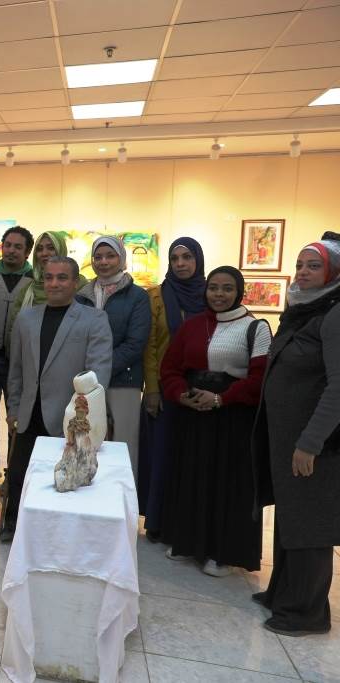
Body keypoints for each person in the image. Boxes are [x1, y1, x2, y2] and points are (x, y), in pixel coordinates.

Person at [253, 237, 340, 636]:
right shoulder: (303, 308)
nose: (303, 272)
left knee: (310, 525)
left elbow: (338, 387)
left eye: (314, 266)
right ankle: (282, 594)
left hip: (314, 442)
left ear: (333, 273)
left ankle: (306, 613)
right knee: (291, 515)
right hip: (288, 436)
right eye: (300, 264)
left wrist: (310, 443)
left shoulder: (334, 314)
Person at [159, 266, 269, 577]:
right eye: (213, 287)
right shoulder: (193, 325)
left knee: (225, 483)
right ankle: (187, 542)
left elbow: (260, 380)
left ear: (239, 291)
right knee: (192, 477)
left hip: (232, 418)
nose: (219, 294)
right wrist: (180, 394)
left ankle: (221, 553)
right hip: (194, 414)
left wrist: (221, 398)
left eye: (227, 288)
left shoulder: (255, 327)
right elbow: (170, 368)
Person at [2, 256, 113, 541]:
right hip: (28, 414)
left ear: (75, 283)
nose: (54, 283)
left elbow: (97, 376)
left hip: (69, 417)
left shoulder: (94, 319)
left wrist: (82, 416)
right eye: (49, 277)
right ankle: (13, 525)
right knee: (19, 476)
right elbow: (16, 370)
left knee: (62, 482)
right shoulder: (26, 319)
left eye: (62, 278)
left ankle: (54, 538)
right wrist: (13, 409)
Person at [139, 238, 206, 541]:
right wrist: (152, 390)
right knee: (162, 456)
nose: (180, 263)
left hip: (202, 389)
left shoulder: (211, 294)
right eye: (175, 258)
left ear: (198, 260)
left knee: (193, 458)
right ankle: (158, 521)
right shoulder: (155, 296)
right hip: (165, 390)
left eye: (187, 257)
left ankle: (189, 524)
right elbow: (150, 346)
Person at [78, 236, 150, 476]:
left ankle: (122, 494)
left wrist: (99, 370)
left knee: (124, 443)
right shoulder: (82, 294)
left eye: (110, 256)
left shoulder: (137, 296)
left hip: (123, 380)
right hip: (86, 381)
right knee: (87, 439)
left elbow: (135, 343)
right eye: (98, 257)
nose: (103, 261)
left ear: (122, 259)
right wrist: (90, 374)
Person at [0, 226, 34, 473]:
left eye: (18, 247)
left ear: (27, 252)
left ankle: (14, 468)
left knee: (17, 416)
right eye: (8, 245)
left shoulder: (35, 281)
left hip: (20, 361)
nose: (11, 250)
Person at [7, 231, 88, 348]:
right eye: (39, 249)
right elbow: (14, 328)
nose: (44, 253)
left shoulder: (78, 284)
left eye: (51, 248)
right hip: (30, 353)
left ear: (61, 250)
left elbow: (87, 326)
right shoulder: (28, 289)